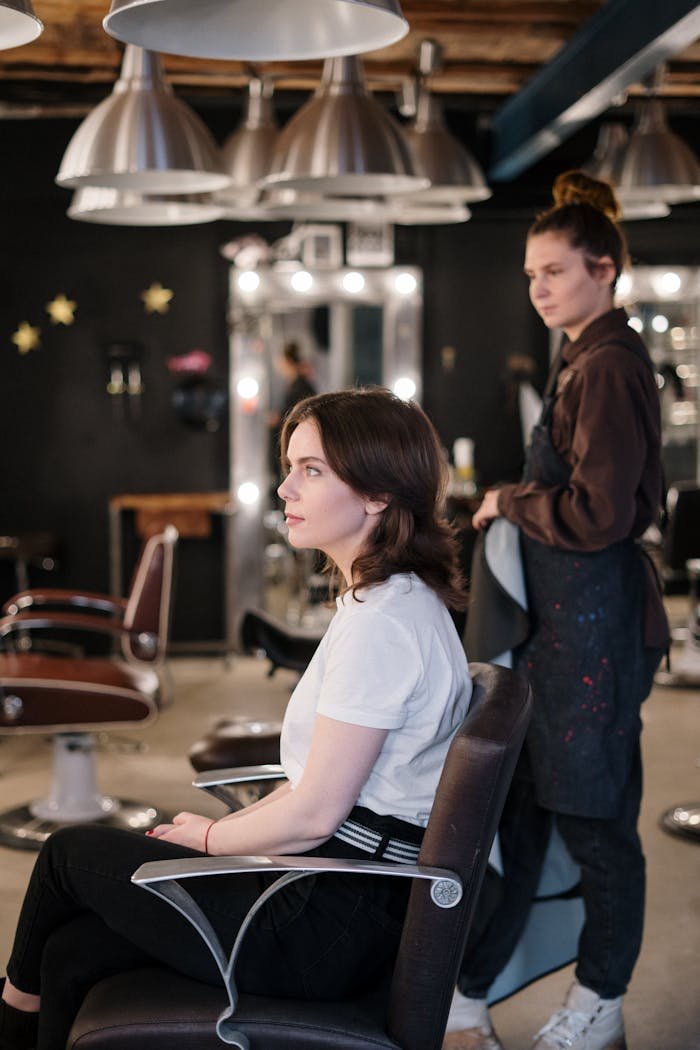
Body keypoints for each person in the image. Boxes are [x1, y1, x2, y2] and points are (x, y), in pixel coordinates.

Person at [0, 387, 471, 1050]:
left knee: (67, 854)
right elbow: (317, 797)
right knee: (72, 952)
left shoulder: (385, 625)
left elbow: (315, 813)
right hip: (331, 889)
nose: (285, 488)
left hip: (325, 923)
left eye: (311, 470)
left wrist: (213, 842)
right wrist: (223, 835)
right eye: (290, 467)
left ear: (378, 493)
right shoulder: (387, 602)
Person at [446, 171, 669, 1050]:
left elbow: (599, 514)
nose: (538, 288)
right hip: (559, 639)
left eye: (554, 271)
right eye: (531, 274)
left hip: (595, 643)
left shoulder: (608, 366)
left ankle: (600, 1003)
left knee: (599, 827)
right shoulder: (581, 356)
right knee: (522, 815)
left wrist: (507, 501)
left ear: (604, 269)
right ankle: (467, 990)